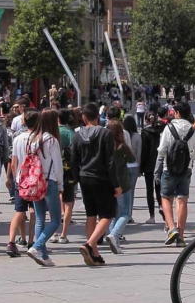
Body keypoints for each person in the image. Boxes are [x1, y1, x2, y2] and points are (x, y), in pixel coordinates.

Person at [70, 103, 120, 266]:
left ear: (84, 118)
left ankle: (95, 254)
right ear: (98, 116)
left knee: (90, 214)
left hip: (84, 177)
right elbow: (110, 161)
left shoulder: (77, 136)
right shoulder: (105, 134)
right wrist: (116, 184)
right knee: (108, 214)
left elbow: (73, 159)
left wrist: (78, 177)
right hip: (102, 178)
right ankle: (90, 244)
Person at [158, 102, 195, 247]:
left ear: (176, 113)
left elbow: (162, 150)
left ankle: (171, 228)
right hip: (186, 170)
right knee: (182, 200)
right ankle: (181, 237)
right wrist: (188, 156)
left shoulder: (169, 128)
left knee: (165, 198)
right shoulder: (192, 129)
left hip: (168, 169)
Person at [25, 109, 63, 266]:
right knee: (55, 220)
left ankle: (44, 255)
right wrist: (60, 184)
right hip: (49, 181)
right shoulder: (52, 141)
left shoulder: (32, 139)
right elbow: (58, 165)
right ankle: (37, 246)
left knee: (40, 218)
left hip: (35, 182)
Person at [7, 110, 39, 257]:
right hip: (35, 180)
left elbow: (13, 163)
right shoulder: (38, 139)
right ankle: (32, 241)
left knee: (19, 211)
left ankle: (13, 241)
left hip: (20, 179)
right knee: (34, 211)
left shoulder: (17, 138)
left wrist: (15, 178)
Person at [105, 118, 136, 253]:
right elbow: (132, 159)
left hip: (109, 182)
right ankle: (114, 234)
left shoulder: (105, 146)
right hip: (123, 183)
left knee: (113, 213)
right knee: (125, 213)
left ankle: (115, 242)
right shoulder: (122, 146)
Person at [54, 109, 77, 243]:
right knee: (69, 202)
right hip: (69, 171)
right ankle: (64, 234)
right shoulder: (71, 133)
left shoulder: (52, 132)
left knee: (55, 199)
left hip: (53, 170)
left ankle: (54, 231)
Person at [139, 110, 166, 224]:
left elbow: (144, 151)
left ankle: (152, 216)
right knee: (160, 189)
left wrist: (141, 167)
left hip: (149, 165)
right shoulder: (163, 129)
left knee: (149, 190)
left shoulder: (145, 132)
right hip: (161, 163)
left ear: (146, 120)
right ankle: (162, 208)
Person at [122, 115, 142, 224]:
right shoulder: (137, 137)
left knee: (123, 190)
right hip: (134, 165)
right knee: (131, 191)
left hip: (124, 165)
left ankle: (123, 213)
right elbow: (139, 153)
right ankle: (129, 214)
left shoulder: (123, 135)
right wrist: (139, 168)